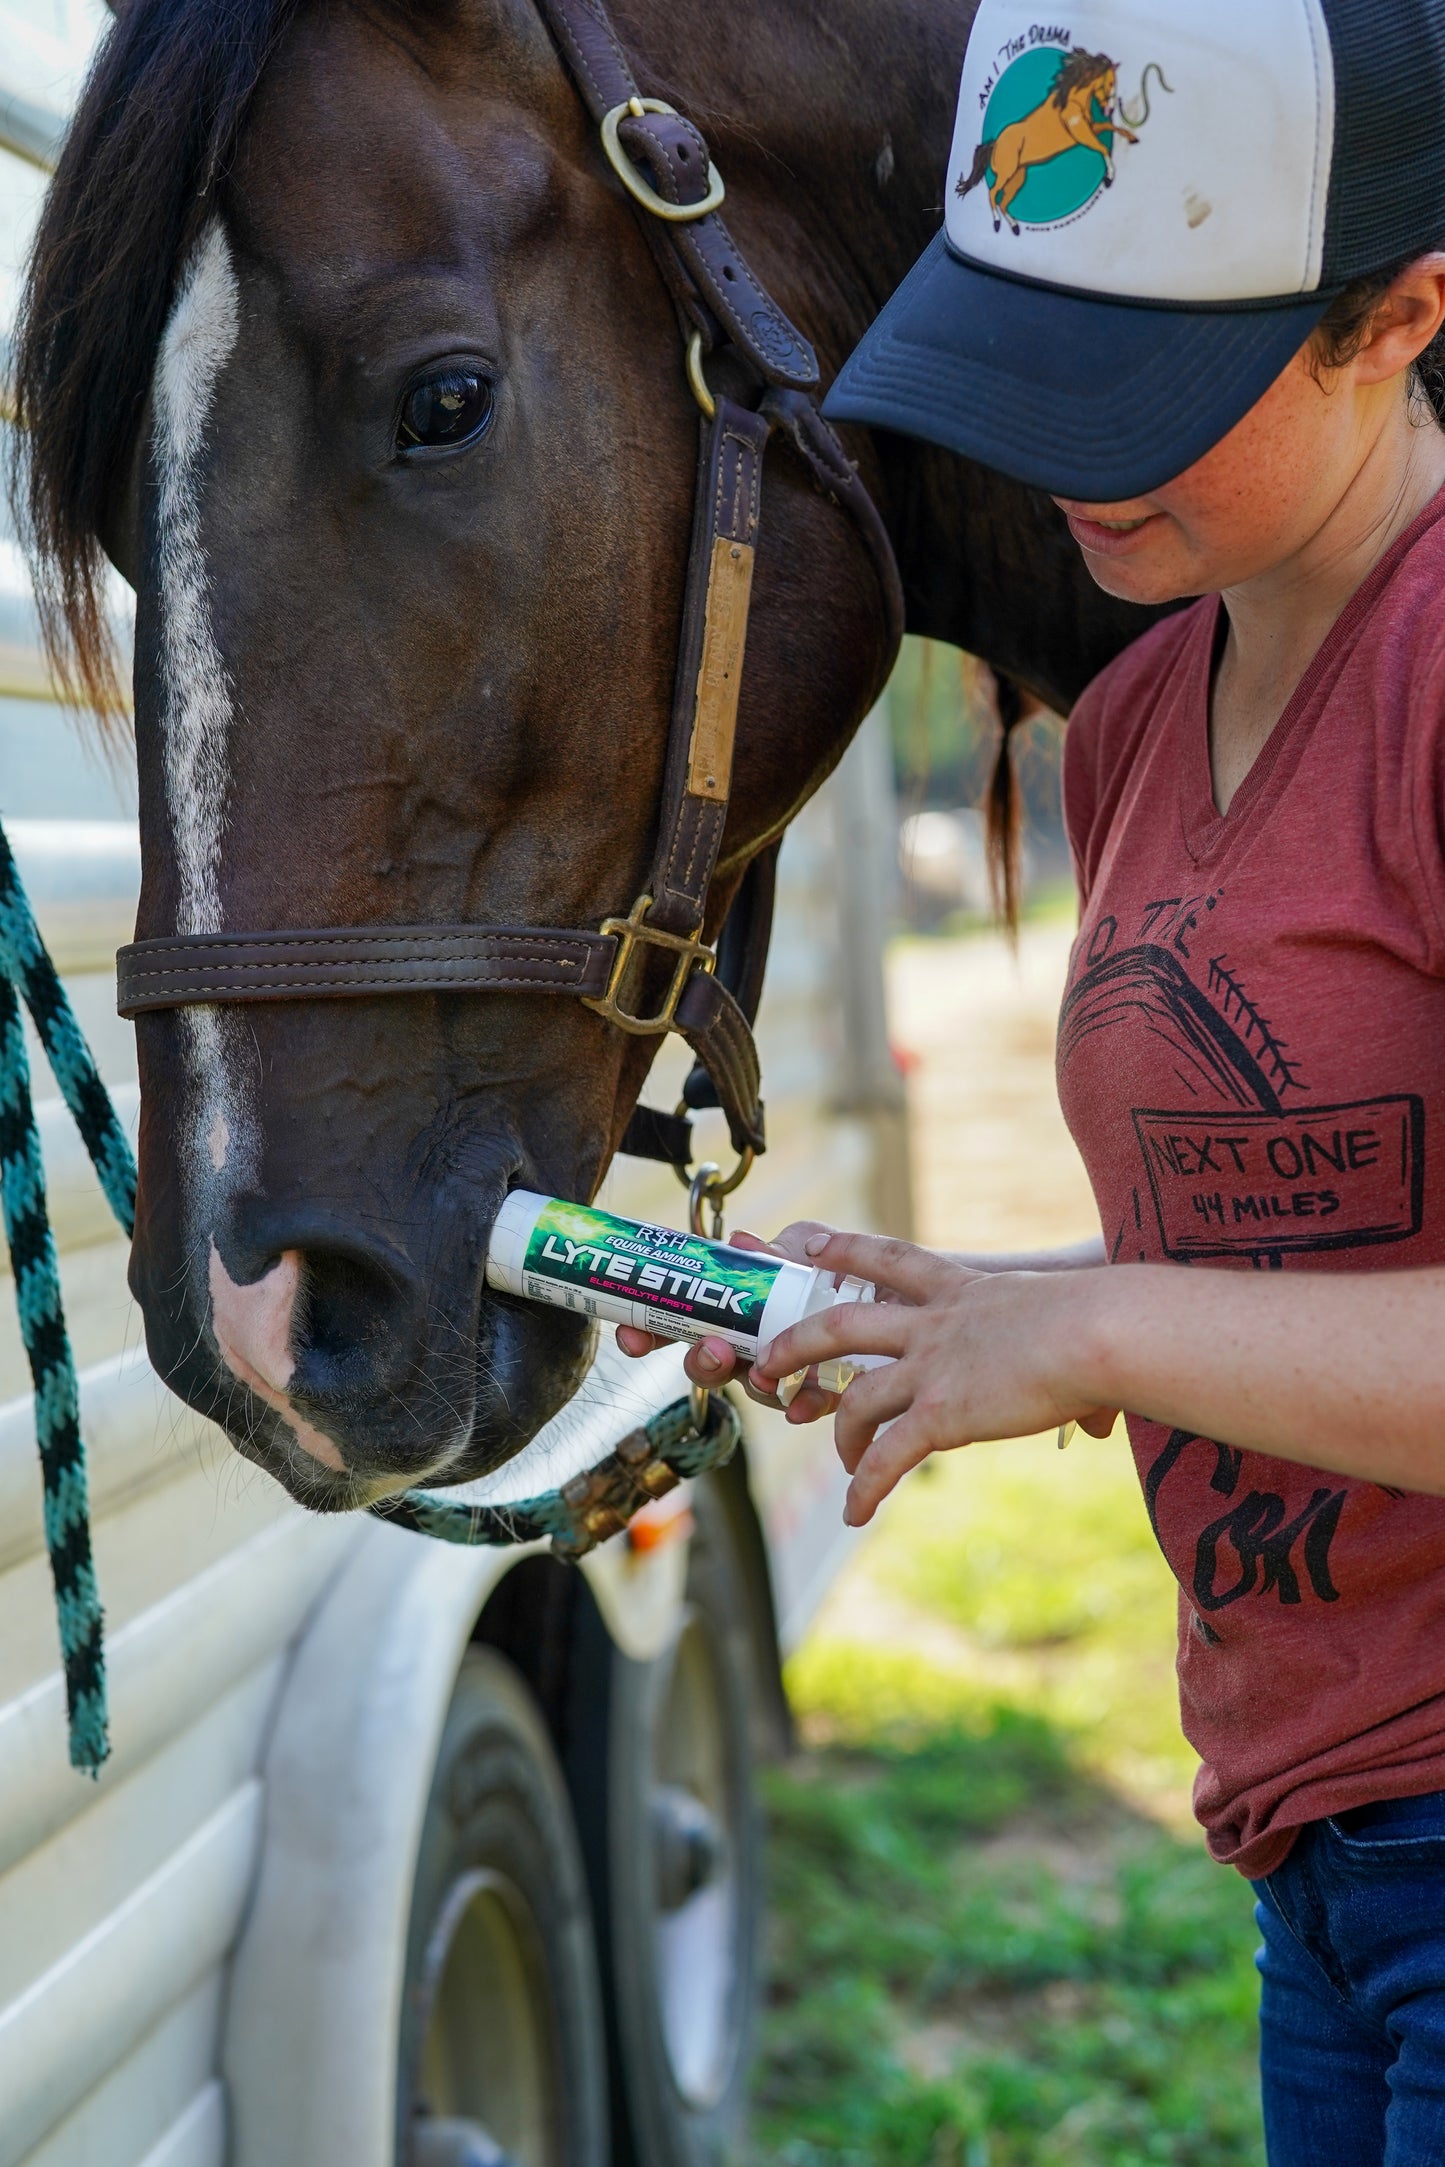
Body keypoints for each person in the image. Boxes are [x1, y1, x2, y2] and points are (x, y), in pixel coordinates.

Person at [620, 1, 1445, 2157]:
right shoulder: (1140, 714)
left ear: (1400, 320)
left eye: (1136, 383)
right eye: (1023, 360)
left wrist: (1087, 1332)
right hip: (1311, 1835)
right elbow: (1324, 1238)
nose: (1060, 453)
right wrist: (971, 1310)